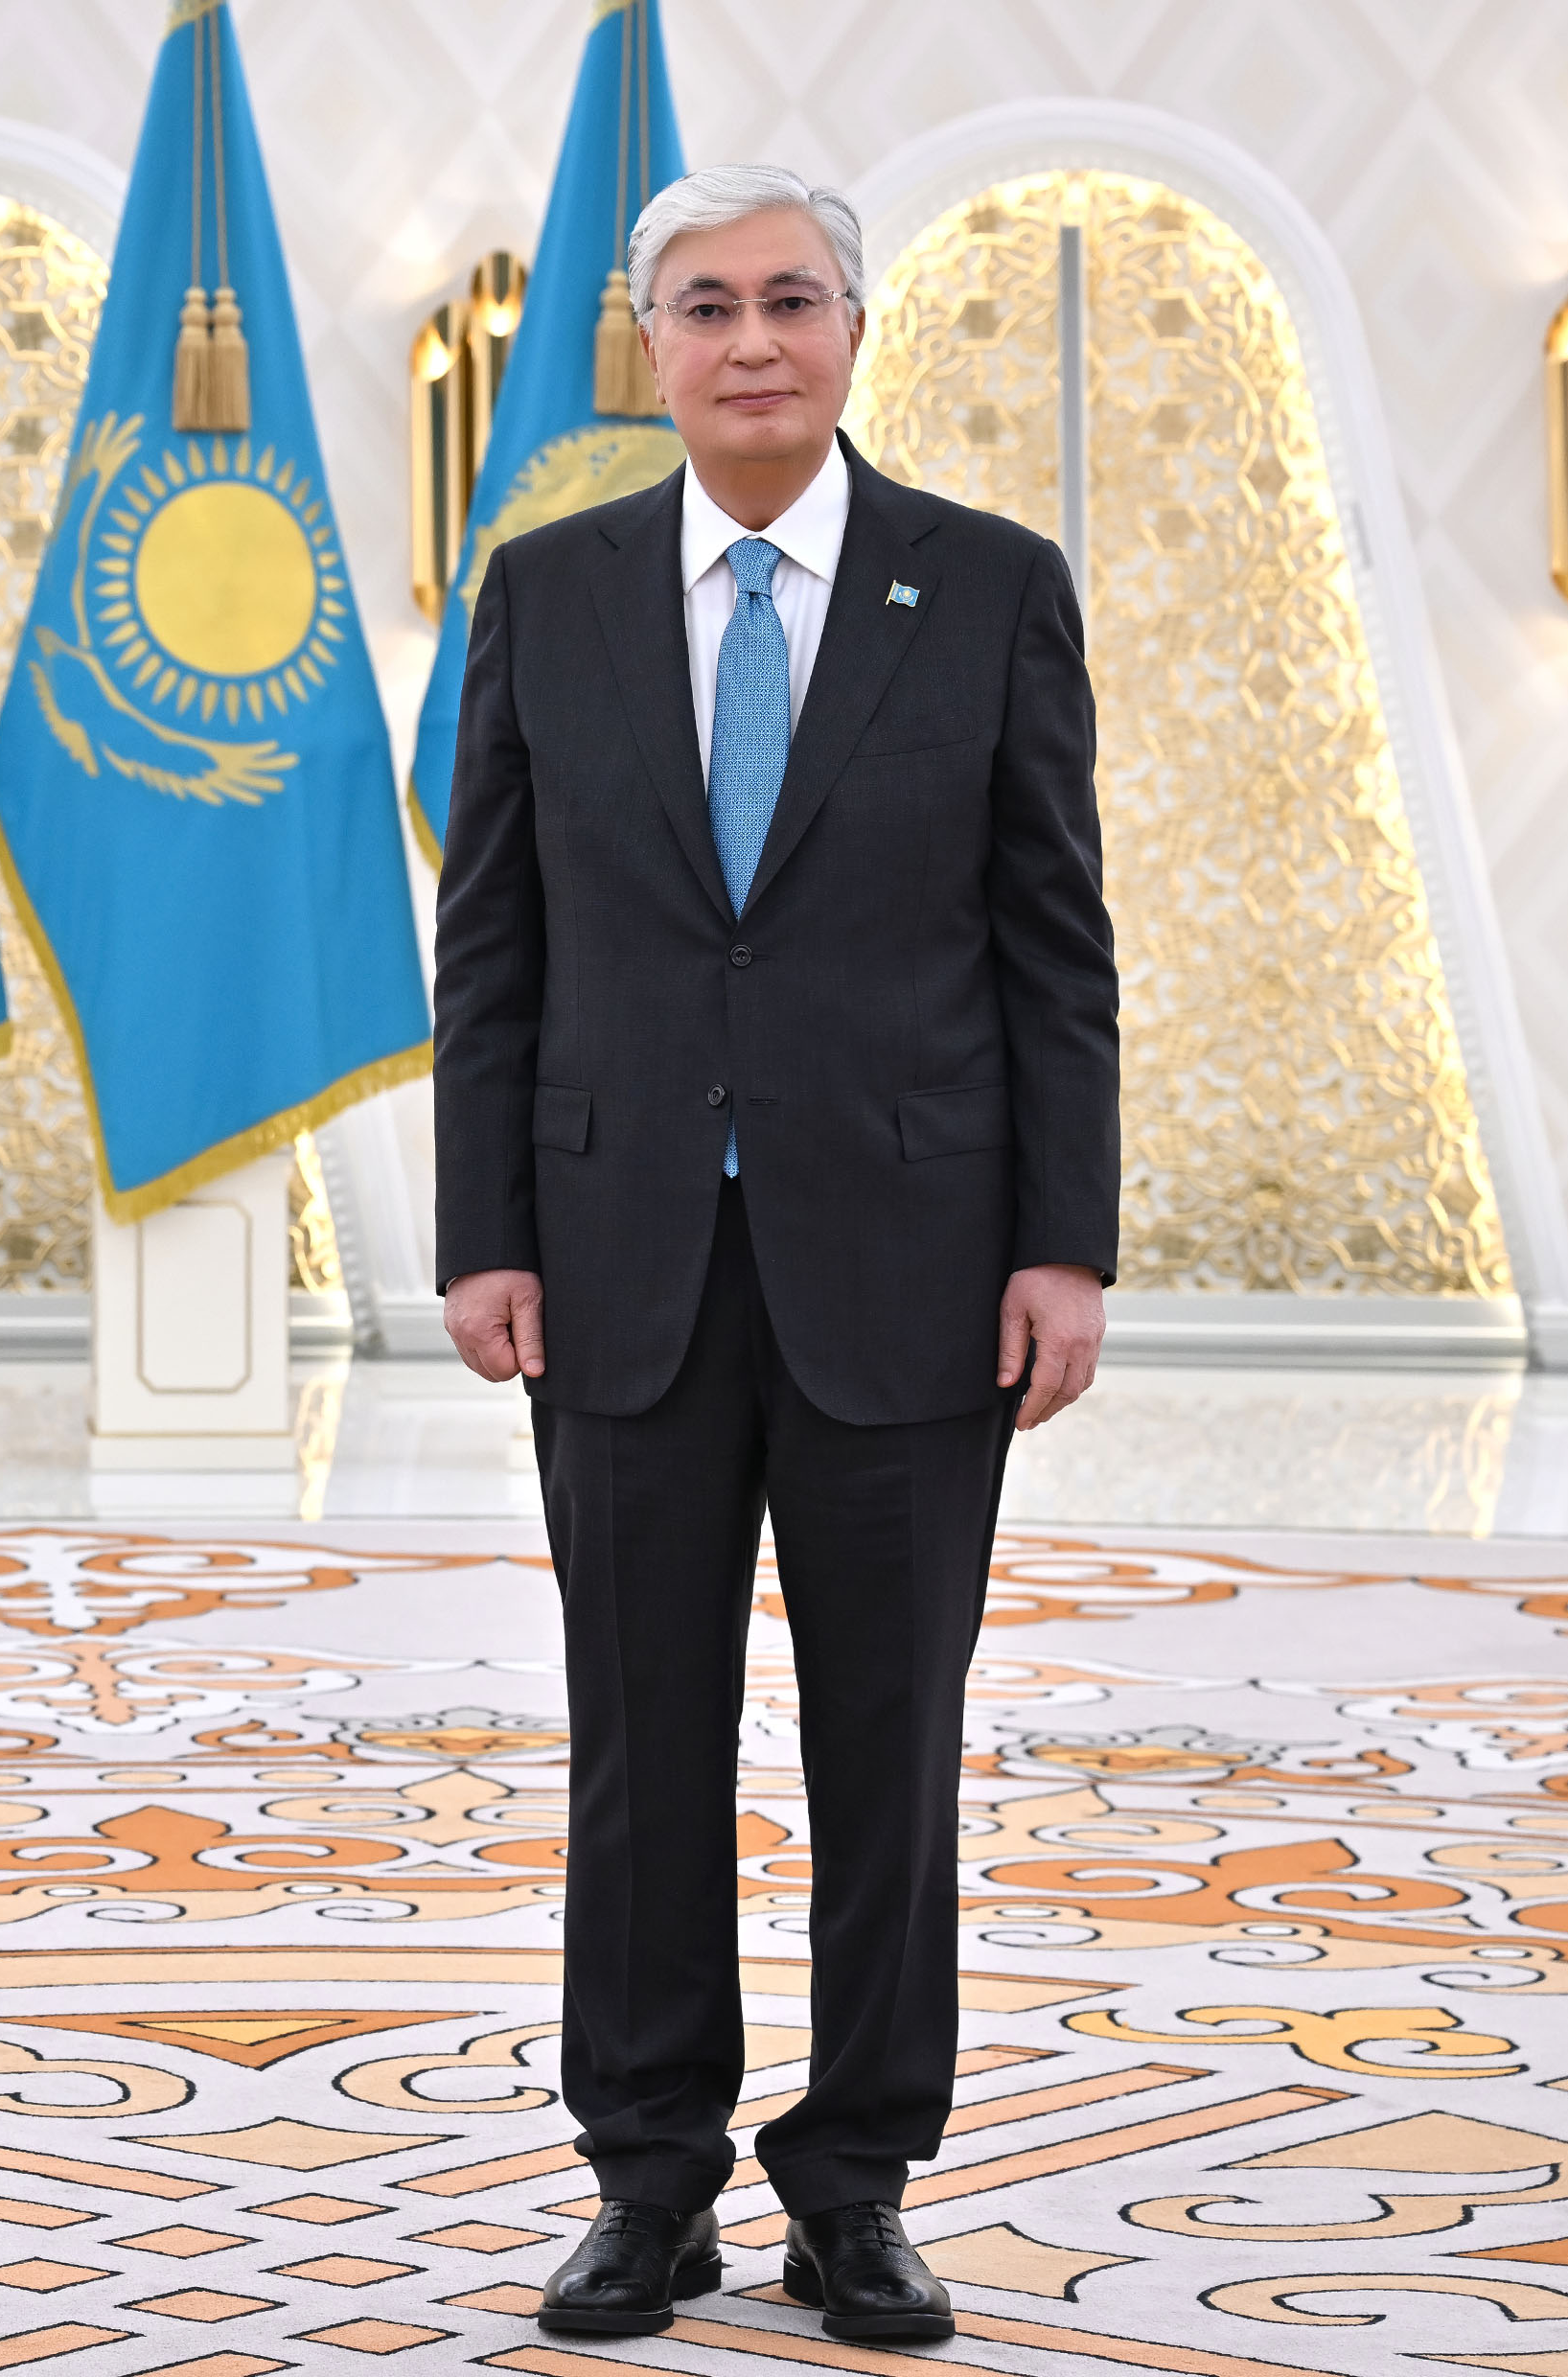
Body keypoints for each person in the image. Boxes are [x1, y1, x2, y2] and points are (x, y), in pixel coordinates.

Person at [432, 166, 1118, 2346]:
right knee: (639, 1747)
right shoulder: (545, 592)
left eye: (792, 300)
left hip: (911, 1264)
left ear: (853, 331)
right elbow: (493, 943)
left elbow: (1053, 944)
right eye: (708, 305)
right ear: (649, 347)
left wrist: (1064, 1244)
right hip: (615, 1257)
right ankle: (646, 2181)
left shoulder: (984, 587)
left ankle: (858, 2182)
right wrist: (481, 1231)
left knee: (887, 1747)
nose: (753, 340)